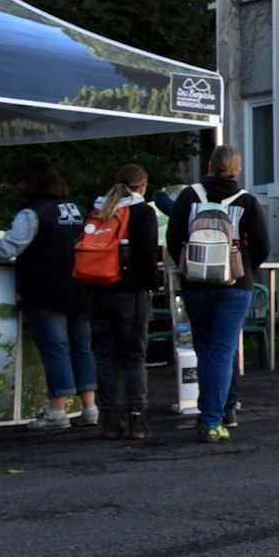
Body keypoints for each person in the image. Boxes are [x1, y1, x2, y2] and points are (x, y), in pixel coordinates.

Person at [0, 161, 98, 430]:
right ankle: (90, 408)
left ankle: (57, 412)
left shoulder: (32, 213)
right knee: (82, 348)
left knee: (55, 349)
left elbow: (7, 248)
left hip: (45, 291)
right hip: (82, 289)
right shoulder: (80, 211)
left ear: (32, 184)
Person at [166, 146, 269, 444]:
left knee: (206, 349)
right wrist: (244, 265)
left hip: (197, 284)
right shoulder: (247, 201)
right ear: (237, 169)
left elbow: (174, 239)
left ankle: (215, 413)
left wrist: (190, 268)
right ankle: (215, 418)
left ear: (209, 165)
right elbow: (263, 245)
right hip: (235, 285)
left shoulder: (189, 196)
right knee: (224, 352)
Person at [86, 164, 162, 440]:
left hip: (96, 292)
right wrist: (153, 285)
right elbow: (147, 254)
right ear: (143, 187)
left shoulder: (97, 210)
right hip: (131, 294)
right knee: (134, 357)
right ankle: (136, 420)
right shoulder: (143, 212)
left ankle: (109, 421)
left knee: (105, 358)